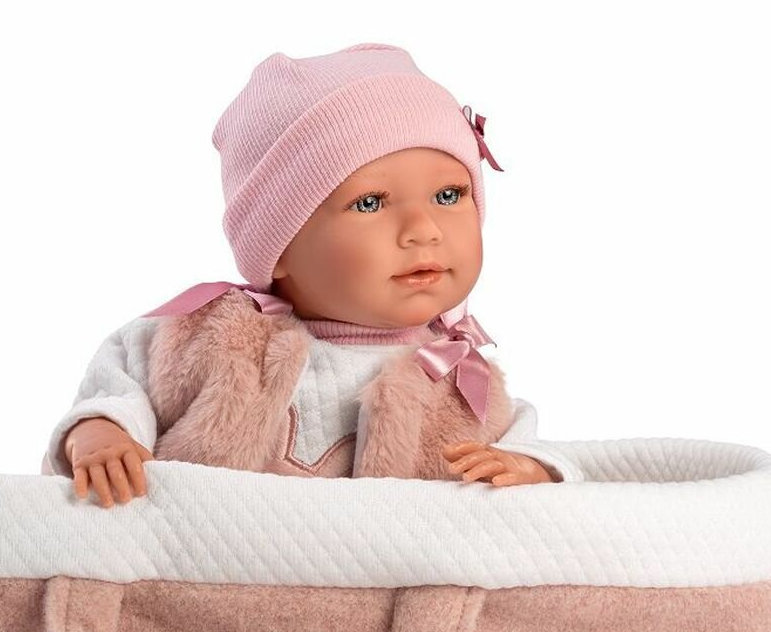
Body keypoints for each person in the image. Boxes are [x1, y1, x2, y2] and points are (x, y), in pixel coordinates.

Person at [43, 42, 584, 507]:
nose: (424, 229)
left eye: (448, 195)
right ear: (277, 244)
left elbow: (531, 451)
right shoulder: (205, 336)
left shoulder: (462, 381)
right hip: (203, 581)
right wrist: (100, 433)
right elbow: (120, 387)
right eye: (370, 203)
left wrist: (531, 471)